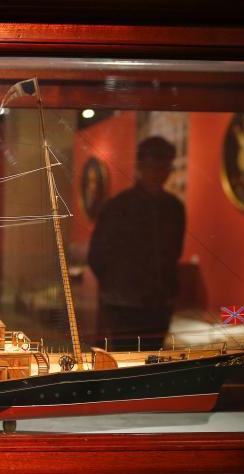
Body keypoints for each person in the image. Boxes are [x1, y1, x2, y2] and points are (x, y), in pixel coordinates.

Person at [87, 136, 185, 351]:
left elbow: (173, 252)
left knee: (150, 357)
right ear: (141, 166)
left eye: (164, 167)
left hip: (158, 303)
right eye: (153, 167)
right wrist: (117, 288)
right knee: (127, 359)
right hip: (124, 304)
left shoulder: (174, 208)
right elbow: (97, 256)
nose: (159, 173)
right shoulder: (118, 206)